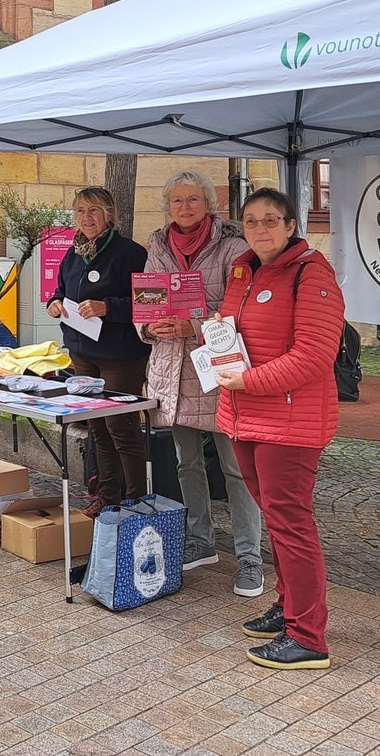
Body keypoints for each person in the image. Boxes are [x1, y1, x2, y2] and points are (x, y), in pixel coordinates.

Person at [215, 188, 345, 671]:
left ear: (292, 225)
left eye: (271, 220)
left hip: (288, 422)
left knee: (291, 525)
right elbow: (241, 332)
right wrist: (220, 332)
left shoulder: (313, 274)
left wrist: (248, 380)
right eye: (251, 221)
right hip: (245, 414)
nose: (260, 228)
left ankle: (308, 636)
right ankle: (290, 610)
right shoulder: (244, 270)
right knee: (276, 518)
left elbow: (314, 356)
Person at [137, 172, 264, 596]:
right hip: (171, 371)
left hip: (218, 371)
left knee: (237, 469)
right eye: (177, 200)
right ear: (167, 207)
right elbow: (147, 304)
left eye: (193, 200)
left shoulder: (233, 247)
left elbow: (240, 309)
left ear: (209, 204)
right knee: (185, 462)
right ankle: (201, 540)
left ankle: (250, 557)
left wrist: (191, 324)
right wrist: (151, 329)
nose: (184, 207)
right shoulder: (158, 245)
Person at [46, 186, 151, 514]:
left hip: (120, 355)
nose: (86, 218)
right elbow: (61, 289)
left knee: (121, 427)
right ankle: (108, 497)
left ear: (109, 214)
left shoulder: (130, 252)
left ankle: (135, 500)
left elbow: (147, 303)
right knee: (96, 425)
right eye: (80, 211)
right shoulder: (74, 251)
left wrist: (108, 307)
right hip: (82, 350)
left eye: (93, 211)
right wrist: (55, 302)